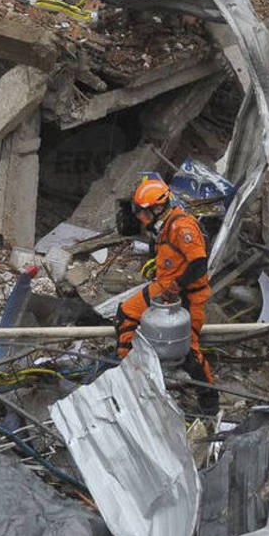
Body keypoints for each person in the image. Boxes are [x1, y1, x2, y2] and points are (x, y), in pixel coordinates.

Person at [114, 177, 218, 415]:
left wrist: (178, 285)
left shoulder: (182, 227)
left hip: (186, 295)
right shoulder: (164, 226)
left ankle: (209, 400)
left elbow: (199, 263)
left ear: (158, 208)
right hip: (165, 288)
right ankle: (132, 372)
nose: (140, 218)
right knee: (126, 315)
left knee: (188, 350)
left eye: (143, 212)